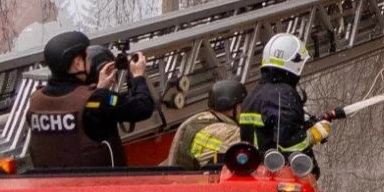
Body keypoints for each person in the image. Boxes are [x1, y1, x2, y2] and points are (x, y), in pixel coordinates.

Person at [26, 30, 157, 168]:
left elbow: (72, 119)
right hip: (99, 186)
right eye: (87, 58)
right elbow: (143, 107)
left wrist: (99, 89)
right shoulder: (97, 100)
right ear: (78, 63)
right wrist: (138, 76)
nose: (90, 62)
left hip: (53, 185)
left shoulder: (36, 100)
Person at [238, 34, 340, 159]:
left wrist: (305, 124)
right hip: (278, 173)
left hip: (254, 169)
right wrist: (314, 134)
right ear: (294, 63)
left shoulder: (253, 95)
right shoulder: (283, 94)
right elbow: (290, 146)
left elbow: (267, 135)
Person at [165, 78, 246, 168]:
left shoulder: (195, 121)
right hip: (202, 180)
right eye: (241, 105)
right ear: (233, 107)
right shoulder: (230, 133)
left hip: (181, 177)